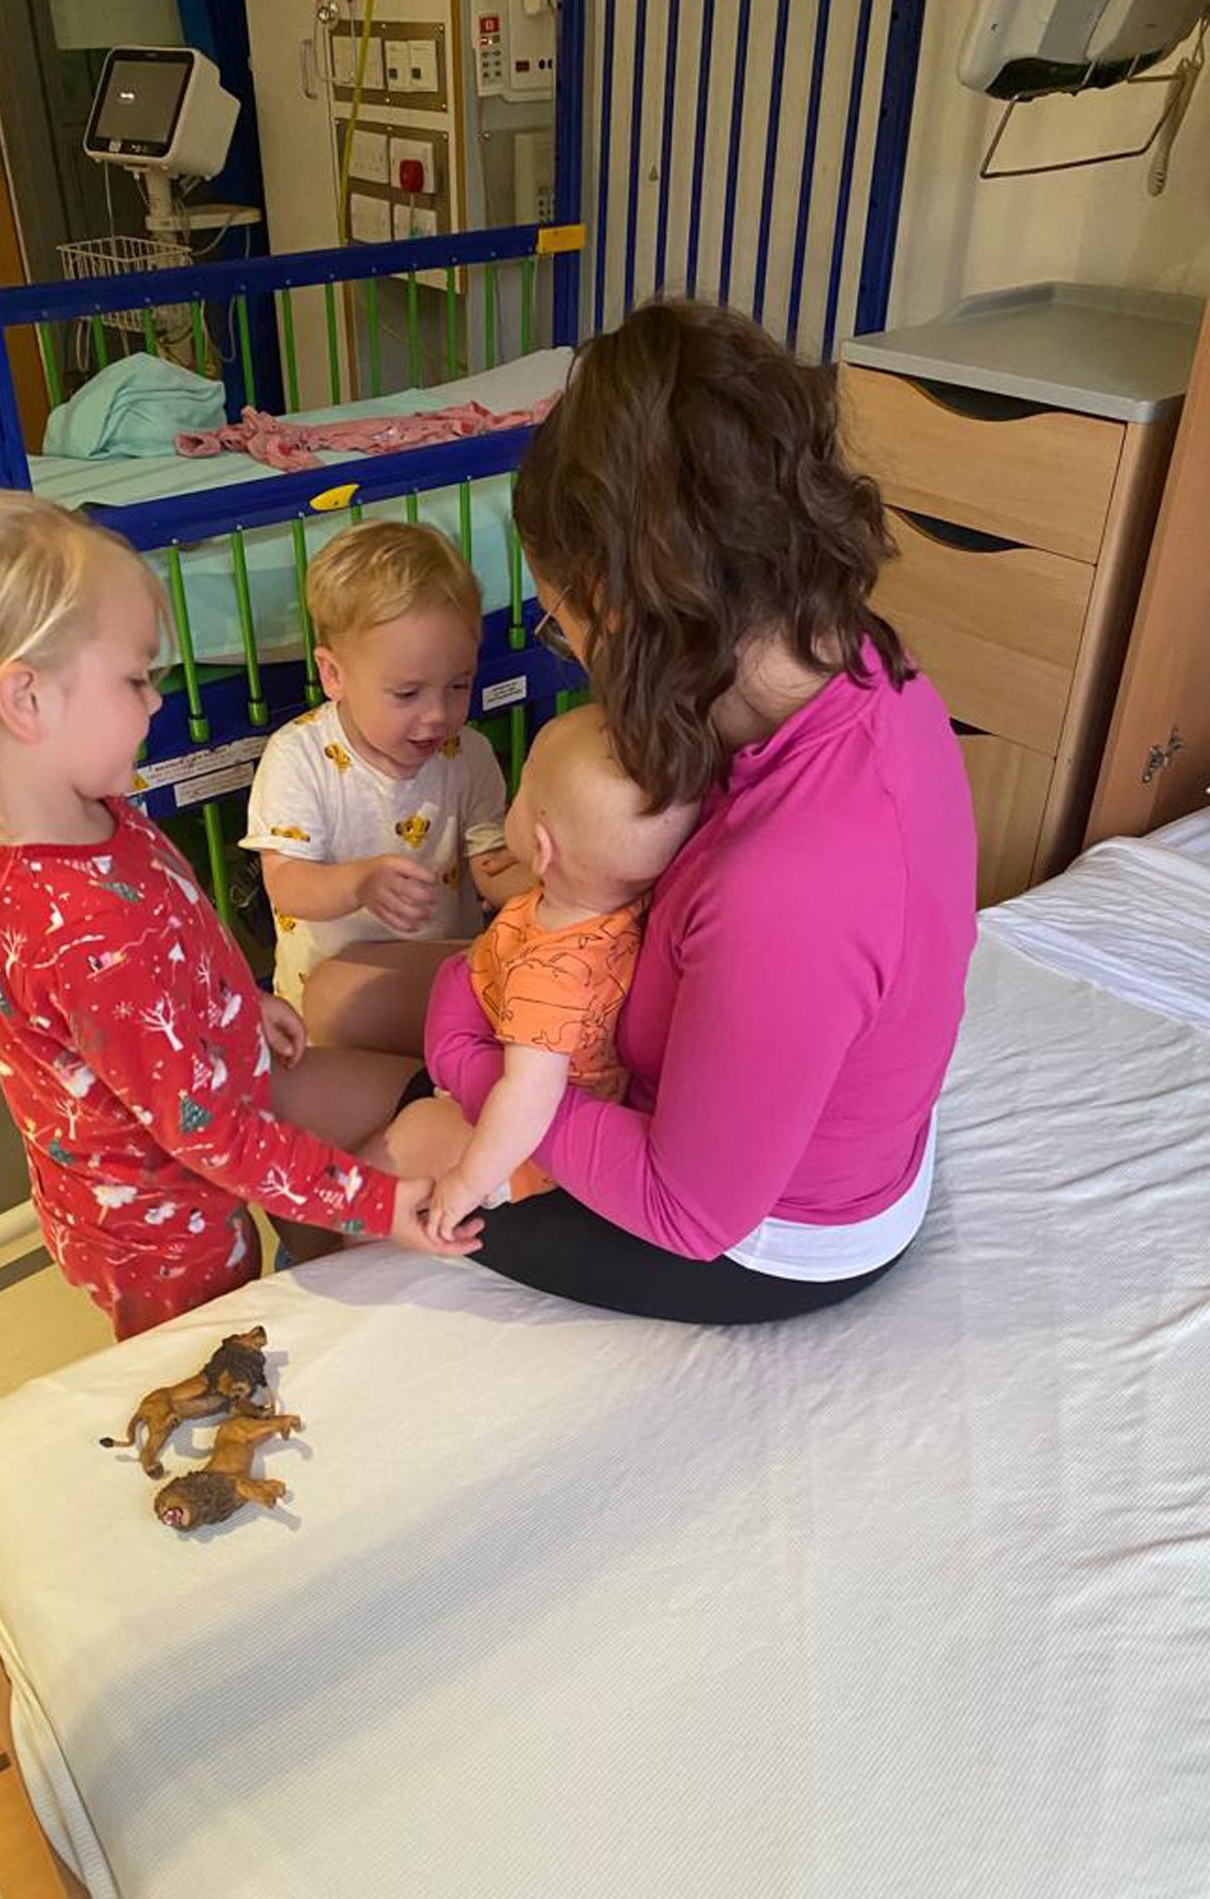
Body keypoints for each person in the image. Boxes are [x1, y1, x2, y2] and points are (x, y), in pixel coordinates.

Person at [417, 299, 979, 1322]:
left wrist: (466, 1066)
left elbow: (691, 1211)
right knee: (384, 1003)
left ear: (626, 607)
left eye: (560, 618)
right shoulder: (853, 658)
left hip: (774, 1234)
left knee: (405, 1138)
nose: (567, 648)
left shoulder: (792, 881)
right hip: (772, 1111)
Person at [0, 493, 479, 1341]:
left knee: (407, 1119)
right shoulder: (77, 926)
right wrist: (380, 1203)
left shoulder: (90, 809)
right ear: (26, 701)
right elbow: (209, 1134)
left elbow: (165, 944)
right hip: (166, 1235)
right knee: (212, 1374)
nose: (155, 702)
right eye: (136, 678)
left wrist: (231, 1003)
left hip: (193, 1136)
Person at [375, 701, 695, 1239]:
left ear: (542, 847)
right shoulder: (603, 897)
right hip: (495, 1035)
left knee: (387, 1155)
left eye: (522, 796)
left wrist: (469, 1181)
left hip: (523, 1150)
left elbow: (529, 1096)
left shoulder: (551, 976)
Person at [242, 520, 530, 1052]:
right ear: (334, 675)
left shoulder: (470, 754)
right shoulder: (299, 757)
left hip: (435, 992)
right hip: (327, 1019)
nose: (438, 715)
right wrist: (358, 884)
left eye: (458, 685)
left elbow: (490, 862)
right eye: (407, 694)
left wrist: (543, 894)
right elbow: (286, 884)